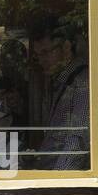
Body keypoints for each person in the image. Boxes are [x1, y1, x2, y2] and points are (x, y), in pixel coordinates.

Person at [30, 25, 89, 171]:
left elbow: (77, 140)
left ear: (67, 47)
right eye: (38, 55)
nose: (41, 60)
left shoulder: (82, 81)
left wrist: (58, 178)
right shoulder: (59, 81)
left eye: (46, 52)